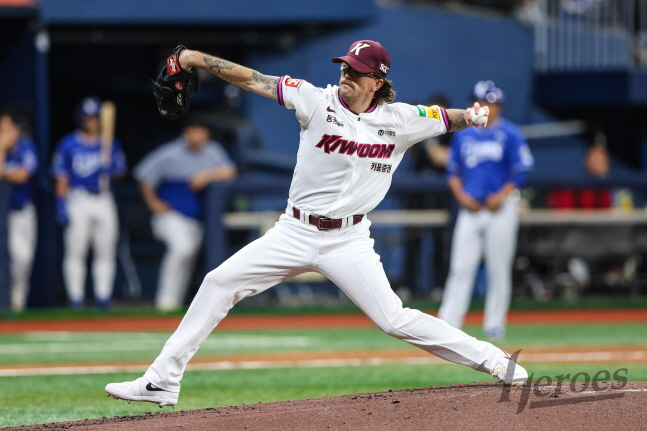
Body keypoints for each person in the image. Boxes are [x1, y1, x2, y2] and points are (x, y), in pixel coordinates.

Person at [106, 40, 528, 407]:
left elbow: (444, 117)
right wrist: (195, 59)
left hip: (349, 240)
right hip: (294, 231)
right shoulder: (314, 100)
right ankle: (161, 381)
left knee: (394, 319)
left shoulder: (400, 119)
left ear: (377, 81)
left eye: (357, 71)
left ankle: (496, 361)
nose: (346, 75)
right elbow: (253, 79)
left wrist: (471, 116)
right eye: (345, 67)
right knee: (219, 282)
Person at [438, 80, 533, 341]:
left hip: (500, 208)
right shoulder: (463, 134)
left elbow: (521, 171)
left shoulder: (510, 133)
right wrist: (462, 197)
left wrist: (501, 196)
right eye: (478, 102)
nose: (482, 107)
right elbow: (452, 172)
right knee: (460, 266)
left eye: (488, 103)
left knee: (498, 268)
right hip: (470, 208)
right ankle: (449, 321)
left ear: (498, 106)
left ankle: (495, 323)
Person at [134, 117, 237, 311]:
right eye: (192, 131)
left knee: (188, 255)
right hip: (170, 215)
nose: (196, 136)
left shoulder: (212, 151)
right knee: (182, 248)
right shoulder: (171, 152)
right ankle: (165, 300)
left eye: (200, 131)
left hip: (195, 218)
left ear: (207, 134)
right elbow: (143, 174)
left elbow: (230, 171)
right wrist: (153, 202)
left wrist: (206, 175)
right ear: (185, 133)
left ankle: (175, 302)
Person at [53, 96, 127, 309]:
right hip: (78, 199)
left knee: (106, 249)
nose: (91, 121)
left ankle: (103, 297)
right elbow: (62, 177)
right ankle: (75, 298)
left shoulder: (110, 143)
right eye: (88, 118)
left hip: (103, 198)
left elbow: (119, 172)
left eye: (95, 117)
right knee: (76, 250)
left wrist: (111, 169)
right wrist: (61, 202)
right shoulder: (69, 143)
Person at [0, 109, 38, 313]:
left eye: (7, 128)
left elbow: (23, 175)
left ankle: (18, 303)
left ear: (16, 129)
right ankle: (9, 302)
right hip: (4, 214)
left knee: (24, 258)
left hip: (21, 210)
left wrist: (6, 173)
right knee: (10, 258)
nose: (3, 132)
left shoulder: (25, 147)